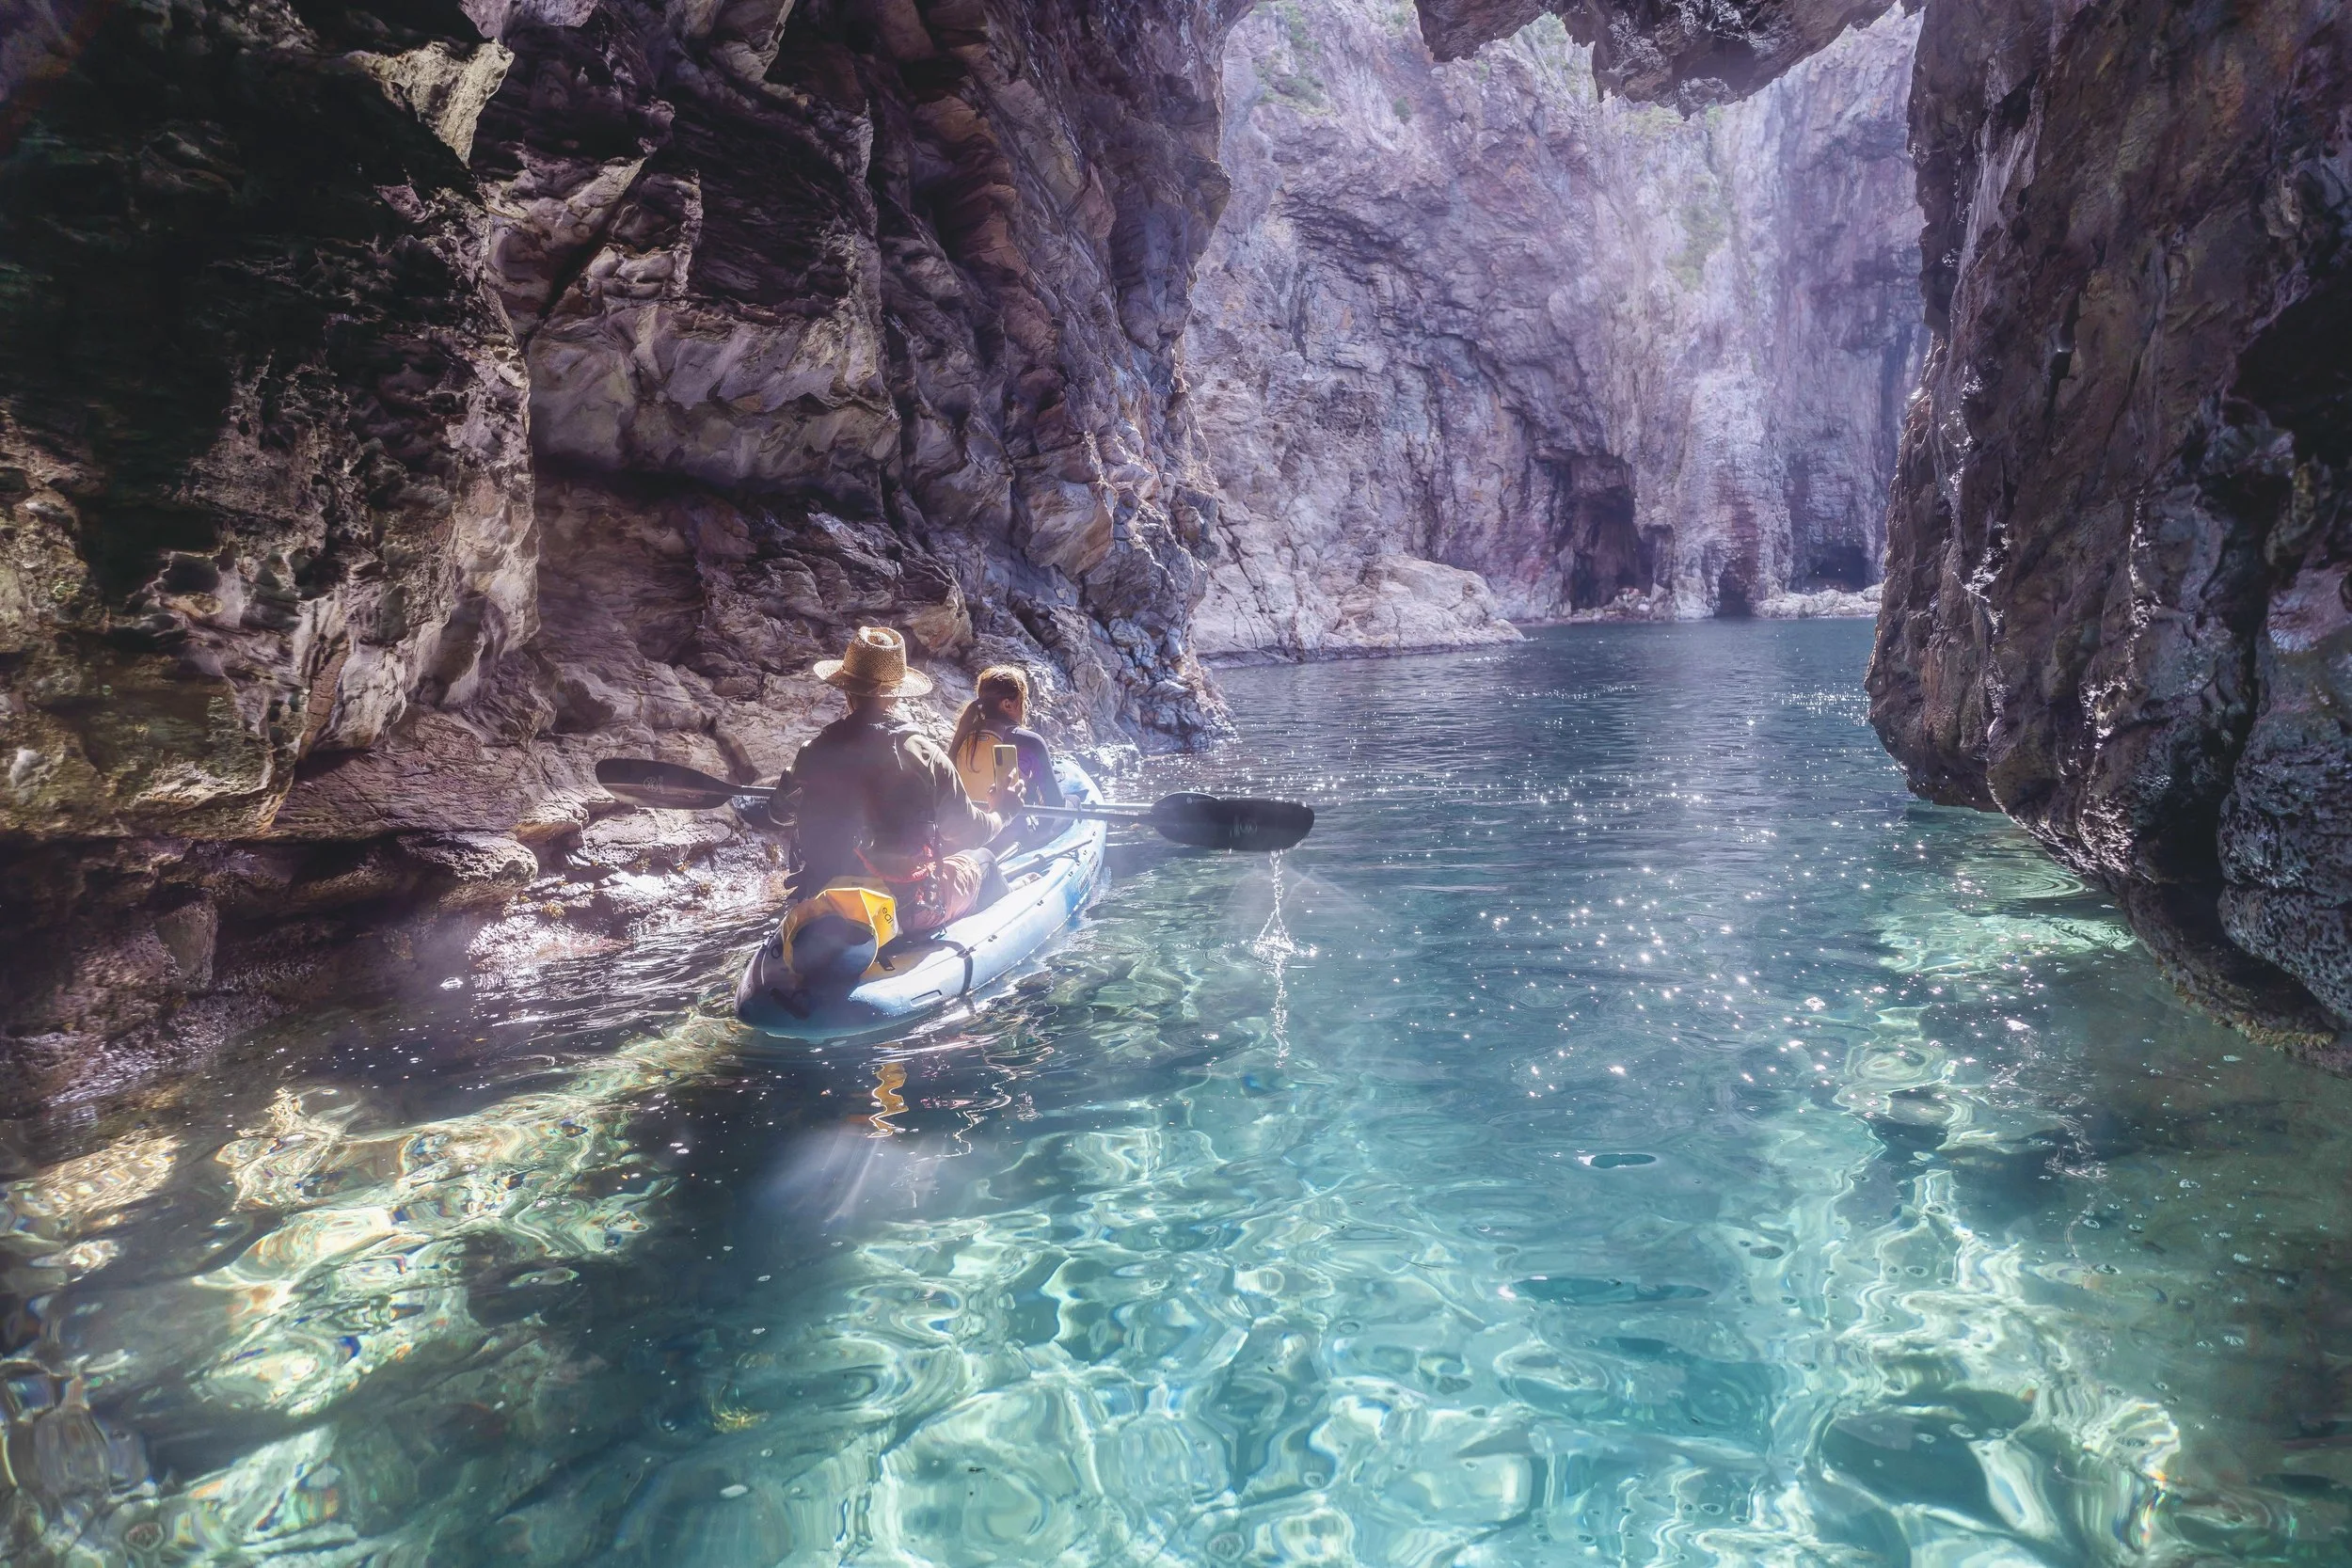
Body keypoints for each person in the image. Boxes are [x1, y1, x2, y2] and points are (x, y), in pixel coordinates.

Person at [787, 626, 1006, 934]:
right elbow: (972, 832)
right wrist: (1003, 813)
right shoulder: (924, 755)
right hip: (903, 910)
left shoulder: (811, 752)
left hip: (825, 901)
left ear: (847, 691)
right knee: (983, 860)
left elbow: (777, 812)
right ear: (896, 696)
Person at [948, 664, 1068, 815]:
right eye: (1022, 701)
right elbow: (1055, 804)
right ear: (1007, 704)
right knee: (1073, 801)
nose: (1024, 708)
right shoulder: (1031, 742)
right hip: (1007, 829)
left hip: (972, 827)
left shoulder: (964, 735)